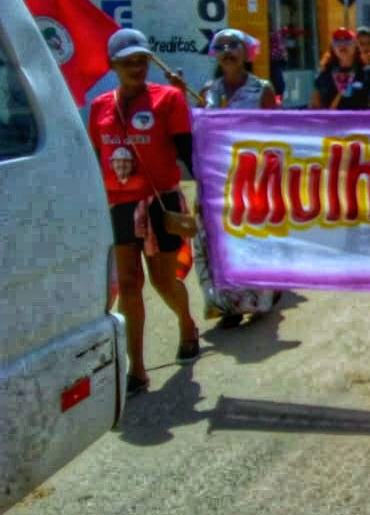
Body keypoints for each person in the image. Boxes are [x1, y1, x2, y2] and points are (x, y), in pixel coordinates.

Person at [88, 29, 200, 397]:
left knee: (163, 282)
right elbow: (93, 159)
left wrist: (210, 193)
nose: (136, 67)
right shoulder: (100, 107)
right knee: (130, 285)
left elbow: (188, 152)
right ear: (112, 65)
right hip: (120, 206)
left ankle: (187, 325)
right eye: (127, 61)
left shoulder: (168, 99)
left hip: (161, 204)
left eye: (141, 60)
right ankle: (136, 369)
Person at [180, 28, 282, 328]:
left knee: (251, 239)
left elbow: (274, 134)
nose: (227, 50)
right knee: (217, 242)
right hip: (216, 177)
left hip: (251, 176)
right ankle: (227, 305)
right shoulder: (209, 90)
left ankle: (259, 297)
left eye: (233, 45)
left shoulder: (261, 89)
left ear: (246, 52)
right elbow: (200, 132)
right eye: (221, 46)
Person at [309, 28, 370, 110]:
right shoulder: (324, 76)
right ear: (333, 48)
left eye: (347, 41)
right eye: (337, 42)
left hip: (361, 128)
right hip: (334, 129)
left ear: (356, 46)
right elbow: (314, 108)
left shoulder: (368, 72)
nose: (342, 45)